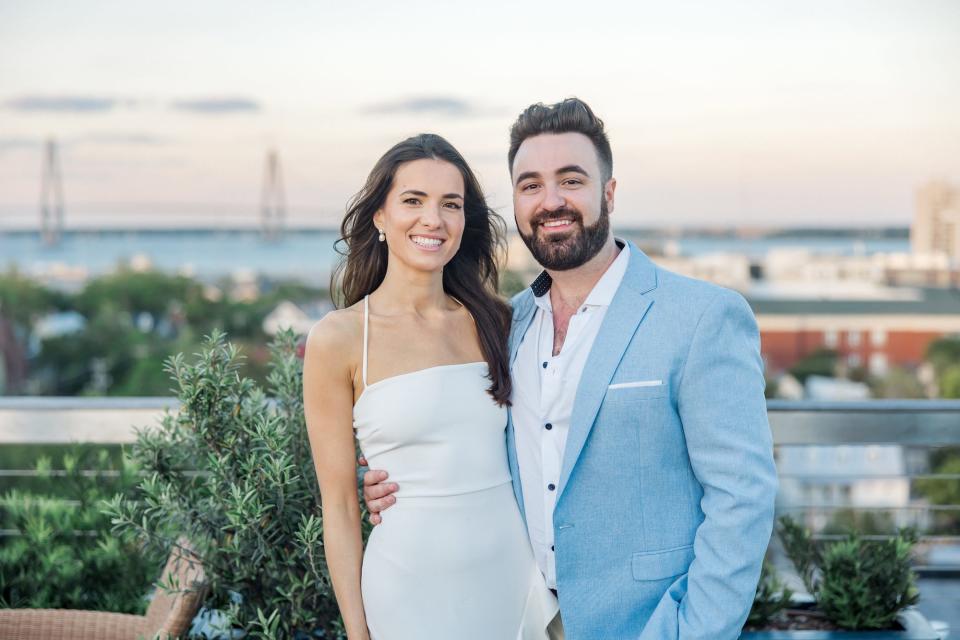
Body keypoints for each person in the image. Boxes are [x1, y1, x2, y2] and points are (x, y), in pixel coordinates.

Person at [362, 99, 779, 639]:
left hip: (650, 624)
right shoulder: (502, 325)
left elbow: (742, 499)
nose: (550, 201)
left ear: (608, 192)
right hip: (519, 616)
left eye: (571, 180)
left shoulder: (700, 318)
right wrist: (394, 484)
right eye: (530, 185)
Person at [302, 133, 557, 640]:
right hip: (406, 586)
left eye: (450, 205)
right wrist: (357, 631)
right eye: (413, 201)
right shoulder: (339, 339)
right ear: (379, 215)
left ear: (465, 221)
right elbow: (339, 506)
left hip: (509, 574)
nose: (432, 220)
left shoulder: (500, 322)